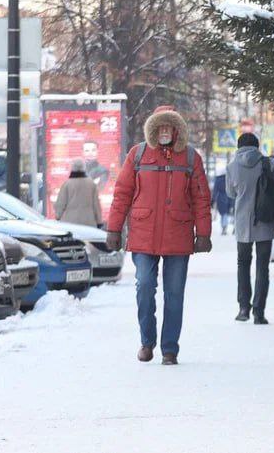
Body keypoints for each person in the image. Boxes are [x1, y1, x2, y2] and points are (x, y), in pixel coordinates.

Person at [106, 106, 212, 366]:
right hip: (144, 234)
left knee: (174, 293)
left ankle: (169, 349)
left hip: (178, 235)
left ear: (177, 129)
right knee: (144, 286)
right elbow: (122, 194)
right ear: (153, 129)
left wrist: (204, 233)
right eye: (160, 126)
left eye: (169, 126)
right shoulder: (138, 154)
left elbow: (201, 199)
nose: (165, 131)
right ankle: (146, 341)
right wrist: (113, 229)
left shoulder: (190, 158)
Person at [226, 133, 274, 325]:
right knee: (262, 267)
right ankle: (259, 312)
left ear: (239, 146)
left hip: (243, 224)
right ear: (258, 146)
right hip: (266, 222)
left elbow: (230, 193)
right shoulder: (269, 164)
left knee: (242, 264)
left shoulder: (232, 167)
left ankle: (243, 308)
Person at [54, 159, 104, 228]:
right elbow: (96, 205)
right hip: (89, 222)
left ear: (72, 168)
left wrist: (58, 216)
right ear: (84, 168)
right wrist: (99, 221)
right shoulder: (91, 184)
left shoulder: (67, 184)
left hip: (70, 223)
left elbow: (60, 204)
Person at [211, 169, 234, 235]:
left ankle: (224, 227)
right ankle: (227, 227)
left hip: (220, 198)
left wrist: (213, 199)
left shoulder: (218, 180)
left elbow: (215, 190)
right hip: (229, 196)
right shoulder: (229, 179)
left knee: (223, 214)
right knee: (227, 213)